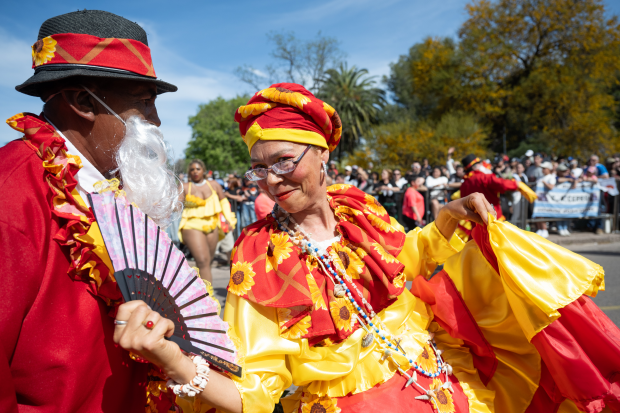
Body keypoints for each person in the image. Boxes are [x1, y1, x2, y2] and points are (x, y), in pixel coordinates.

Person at [114, 82, 620, 413]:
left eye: (285, 161)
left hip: (449, 390)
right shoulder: (257, 258)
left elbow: (404, 260)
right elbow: (254, 391)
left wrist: (446, 216)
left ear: (322, 156)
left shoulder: (358, 209)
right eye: (260, 168)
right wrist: (173, 358)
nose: (271, 180)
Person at [0, 10, 185, 411]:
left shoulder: (111, 189)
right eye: (144, 103)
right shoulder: (11, 193)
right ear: (84, 102)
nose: (156, 120)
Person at [179, 160, 235, 282]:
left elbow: (224, 202)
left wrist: (229, 220)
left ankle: (203, 291)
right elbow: (176, 206)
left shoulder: (214, 184)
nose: (195, 171)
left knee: (208, 261)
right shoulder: (185, 187)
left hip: (212, 224)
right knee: (202, 261)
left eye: (198, 169)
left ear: (203, 170)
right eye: (192, 169)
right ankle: (208, 296)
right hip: (192, 225)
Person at [460, 154, 537, 222]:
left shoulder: (464, 184)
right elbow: (501, 184)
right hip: (491, 217)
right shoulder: (483, 177)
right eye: (480, 163)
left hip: (475, 221)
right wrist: (517, 184)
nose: (483, 165)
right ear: (474, 166)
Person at [534, 161, 556, 238]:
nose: (542, 170)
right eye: (542, 168)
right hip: (538, 199)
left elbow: (551, 187)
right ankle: (540, 229)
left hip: (546, 200)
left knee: (542, 215)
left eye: (544, 168)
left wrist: (544, 183)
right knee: (538, 215)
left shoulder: (551, 177)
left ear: (548, 169)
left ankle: (544, 229)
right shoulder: (541, 177)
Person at [555, 164, 578, 236]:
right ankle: (560, 228)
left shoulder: (568, 176)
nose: (565, 172)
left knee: (566, 213)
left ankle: (565, 228)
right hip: (558, 199)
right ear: (559, 171)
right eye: (563, 171)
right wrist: (568, 179)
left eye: (565, 170)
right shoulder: (556, 176)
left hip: (567, 200)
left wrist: (574, 183)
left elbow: (576, 179)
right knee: (559, 213)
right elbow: (558, 179)